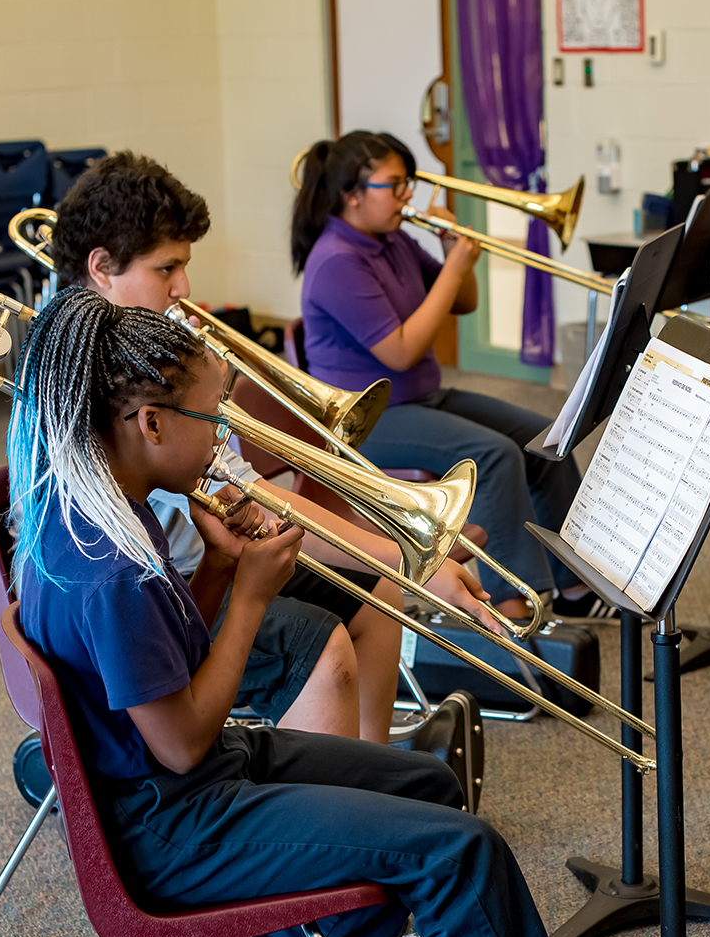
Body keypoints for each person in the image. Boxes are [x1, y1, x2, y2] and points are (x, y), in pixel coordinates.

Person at [9, 287, 583, 937]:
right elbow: (178, 741)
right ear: (147, 423)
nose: (224, 442)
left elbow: (166, 662)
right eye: (214, 421)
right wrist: (250, 599)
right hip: (174, 825)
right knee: (460, 850)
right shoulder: (106, 567)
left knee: (431, 787)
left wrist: (218, 569)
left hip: (187, 780)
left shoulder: (105, 502)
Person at [52, 151, 496, 749]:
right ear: (101, 267)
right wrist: (410, 559)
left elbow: (247, 500)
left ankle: (378, 766)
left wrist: (405, 562)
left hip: (209, 561)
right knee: (324, 647)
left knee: (380, 594)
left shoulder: (142, 353)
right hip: (161, 594)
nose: (184, 289)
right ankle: (343, 815)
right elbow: (254, 505)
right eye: (166, 270)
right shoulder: (84, 375)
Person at [292, 131, 615, 622]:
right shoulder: (337, 261)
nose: (407, 197)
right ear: (351, 194)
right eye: (395, 185)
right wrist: (453, 267)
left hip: (422, 397)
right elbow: (400, 352)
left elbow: (463, 303)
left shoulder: (392, 239)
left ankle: (575, 588)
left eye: (408, 184)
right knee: (496, 455)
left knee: (544, 438)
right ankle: (510, 607)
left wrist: (450, 253)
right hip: (366, 421)